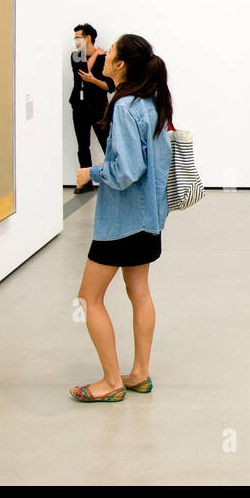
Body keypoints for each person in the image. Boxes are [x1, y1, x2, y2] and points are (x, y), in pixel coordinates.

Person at [70, 34, 173, 403]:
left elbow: (126, 170)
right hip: (149, 219)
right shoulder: (152, 101)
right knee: (139, 291)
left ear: (120, 65)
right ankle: (139, 374)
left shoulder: (126, 106)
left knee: (88, 298)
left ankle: (111, 381)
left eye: (110, 51)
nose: (104, 55)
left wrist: (91, 174)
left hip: (121, 224)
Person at [70, 23, 115, 193]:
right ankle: (85, 180)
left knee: (106, 143)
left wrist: (94, 80)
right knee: (82, 144)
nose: (75, 41)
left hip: (98, 107)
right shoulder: (76, 56)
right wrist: (96, 52)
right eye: (74, 38)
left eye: (78, 37)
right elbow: (84, 71)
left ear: (88, 37)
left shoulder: (106, 59)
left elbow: (109, 86)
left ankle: (111, 177)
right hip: (79, 106)